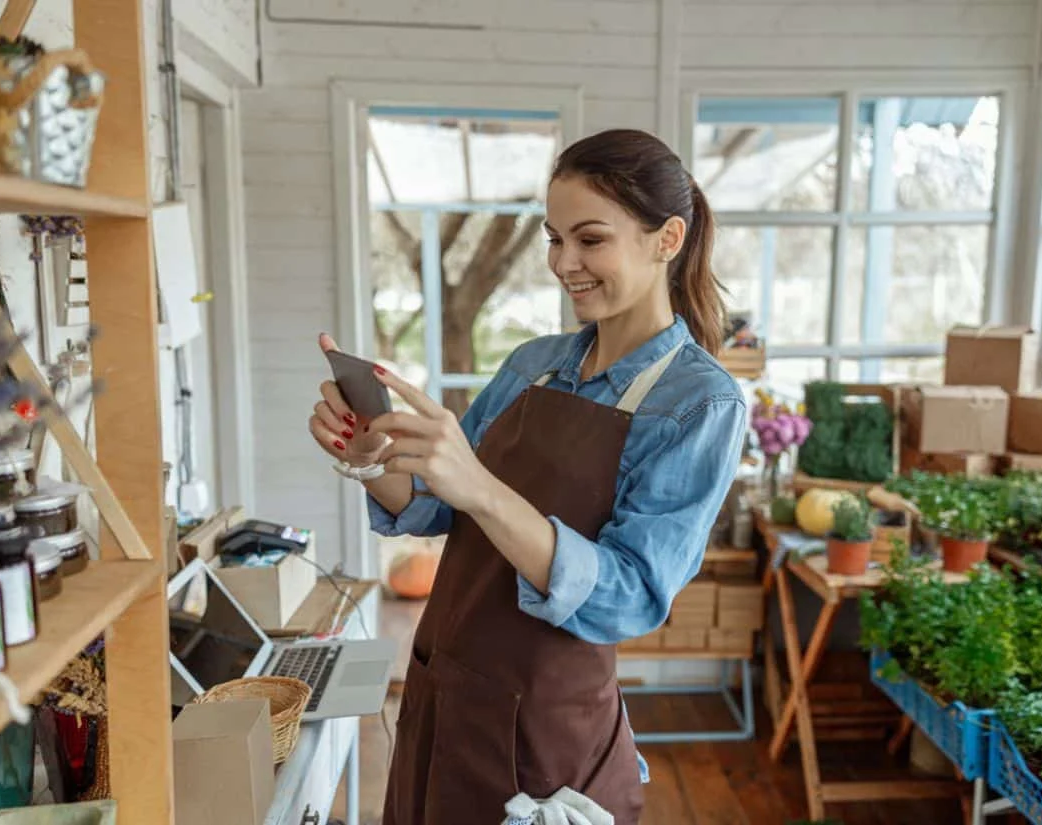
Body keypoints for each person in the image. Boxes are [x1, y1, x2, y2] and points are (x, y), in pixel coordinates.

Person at [309, 128, 747, 825]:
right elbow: (429, 507)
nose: (563, 262)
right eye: (554, 238)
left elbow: (629, 594)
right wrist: (371, 456)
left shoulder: (699, 402)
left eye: (589, 239)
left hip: (546, 740)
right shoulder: (533, 363)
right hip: (442, 693)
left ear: (667, 239)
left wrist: (481, 485)